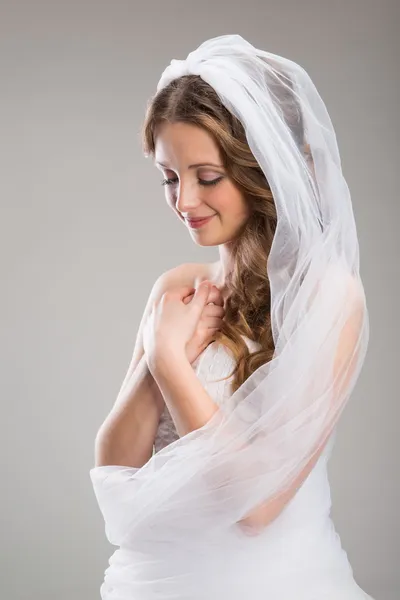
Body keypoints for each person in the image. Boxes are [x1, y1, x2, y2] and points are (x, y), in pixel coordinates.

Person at [90, 34, 374, 599]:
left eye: (207, 176)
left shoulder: (331, 297)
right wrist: (154, 358)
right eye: (170, 178)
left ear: (263, 171)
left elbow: (258, 506)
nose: (185, 202)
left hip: (270, 583)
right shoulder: (177, 290)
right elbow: (116, 468)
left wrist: (170, 359)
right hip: (152, 581)